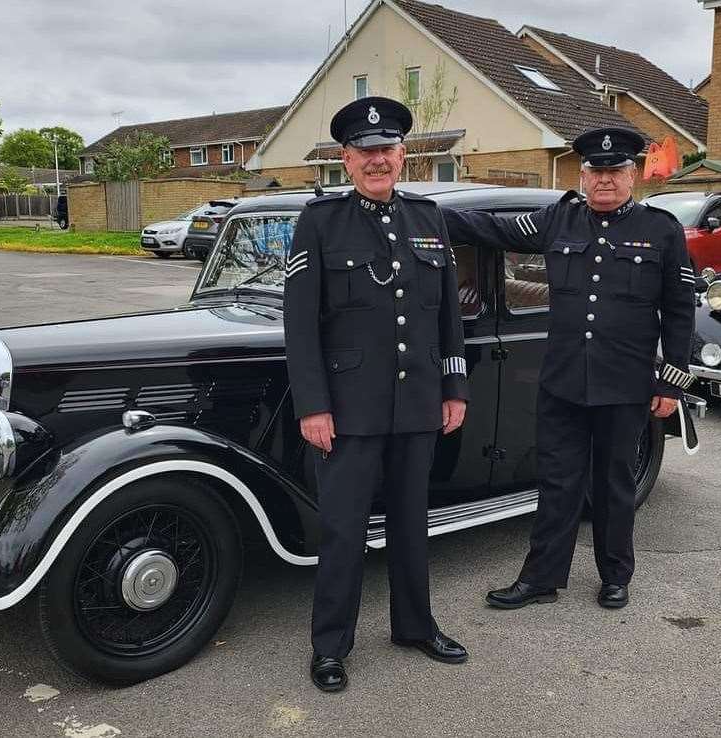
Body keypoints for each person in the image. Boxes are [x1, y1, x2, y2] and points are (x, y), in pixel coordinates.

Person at [442, 127, 696, 611]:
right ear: (582, 175)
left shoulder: (660, 230)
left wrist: (672, 382)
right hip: (562, 383)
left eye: (615, 171)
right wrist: (413, 211)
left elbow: (681, 310)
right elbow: (487, 229)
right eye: (596, 171)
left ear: (633, 175)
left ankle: (616, 576)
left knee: (613, 483)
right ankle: (541, 578)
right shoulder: (558, 219)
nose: (605, 180)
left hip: (625, 384)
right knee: (557, 482)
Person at [283, 96, 470, 693]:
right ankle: (330, 646)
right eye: (365, 152)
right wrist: (313, 405)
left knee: (414, 523)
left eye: (386, 150)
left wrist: (454, 385)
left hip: (417, 403)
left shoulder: (428, 217)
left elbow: (446, 319)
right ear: (346, 158)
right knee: (344, 530)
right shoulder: (320, 221)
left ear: (403, 155)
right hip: (348, 410)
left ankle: (415, 627)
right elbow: (300, 324)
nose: (377, 160)